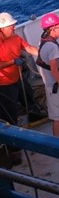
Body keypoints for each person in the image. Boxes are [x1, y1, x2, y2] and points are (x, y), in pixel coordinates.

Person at [0, 12, 39, 165]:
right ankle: (14, 149)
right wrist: (11, 62)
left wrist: (42, 53)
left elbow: (28, 48)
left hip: (18, 79)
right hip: (4, 86)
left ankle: (35, 114)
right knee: (10, 117)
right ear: (2, 28)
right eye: (11, 26)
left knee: (29, 96)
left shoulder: (16, 38)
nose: (15, 27)